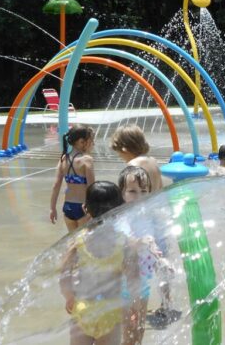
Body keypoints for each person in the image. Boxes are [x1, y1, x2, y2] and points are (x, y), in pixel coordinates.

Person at [60, 181, 140, 345]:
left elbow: (64, 273)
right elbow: (134, 279)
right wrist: (133, 307)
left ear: (85, 207)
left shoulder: (77, 241)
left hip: (83, 308)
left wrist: (69, 297)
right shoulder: (125, 243)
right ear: (120, 209)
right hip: (111, 310)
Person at [118, 166, 158, 345]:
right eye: (132, 191)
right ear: (122, 193)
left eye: (143, 191)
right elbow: (129, 241)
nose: (139, 196)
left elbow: (152, 244)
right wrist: (143, 241)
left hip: (143, 283)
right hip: (125, 285)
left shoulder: (147, 217)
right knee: (128, 332)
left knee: (140, 329)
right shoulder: (122, 218)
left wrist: (161, 259)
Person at [50, 125, 95, 232]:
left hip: (68, 207)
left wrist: (52, 208)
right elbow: (92, 187)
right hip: (83, 207)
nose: (93, 143)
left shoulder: (63, 159)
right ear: (81, 142)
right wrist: (94, 210)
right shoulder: (86, 160)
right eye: (91, 140)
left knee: (73, 243)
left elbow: (56, 185)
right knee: (87, 244)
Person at [111, 124, 163, 192]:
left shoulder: (133, 167)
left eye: (118, 151)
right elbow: (161, 188)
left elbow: (129, 196)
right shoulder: (153, 161)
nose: (119, 155)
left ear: (124, 149)